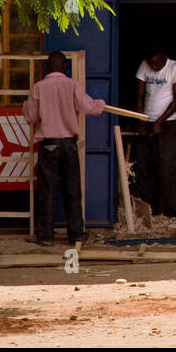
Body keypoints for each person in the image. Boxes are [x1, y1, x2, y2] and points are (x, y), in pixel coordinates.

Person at [22, 51, 106, 246]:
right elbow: (89, 107)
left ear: (47, 68)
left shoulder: (39, 87)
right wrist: (100, 104)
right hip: (68, 144)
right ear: (65, 68)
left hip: (49, 144)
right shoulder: (72, 85)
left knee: (47, 191)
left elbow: (31, 118)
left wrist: (25, 106)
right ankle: (76, 234)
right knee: (72, 190)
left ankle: (46, 236)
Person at [133, 42, 176, 217]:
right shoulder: (144, 65)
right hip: (148, 122)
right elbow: (139, 96)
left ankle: (173, 213)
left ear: (164, 57)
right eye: (151, 63)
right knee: (145, 167)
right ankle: (150, 212)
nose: (154, 66)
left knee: (168, 168)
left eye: (157, 63)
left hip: (168, 123)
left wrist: (160, 122)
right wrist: (141, 120)